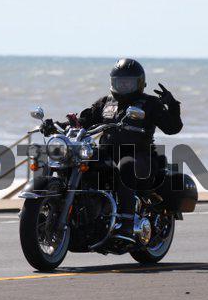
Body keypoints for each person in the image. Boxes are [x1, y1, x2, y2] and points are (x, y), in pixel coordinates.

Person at [41, 58, 183, 236]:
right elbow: (83, 121)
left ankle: (127, 221)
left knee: (126, 166)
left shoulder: (150, 103)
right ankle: (70, 210)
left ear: (139, 83)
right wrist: (56, 125)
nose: (123, 86)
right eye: (119, 82)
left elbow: (172, 128)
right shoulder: (105, 103)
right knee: (74, 160)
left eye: (128, 83)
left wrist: (172, 105)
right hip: (107, 153)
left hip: (140, 155)